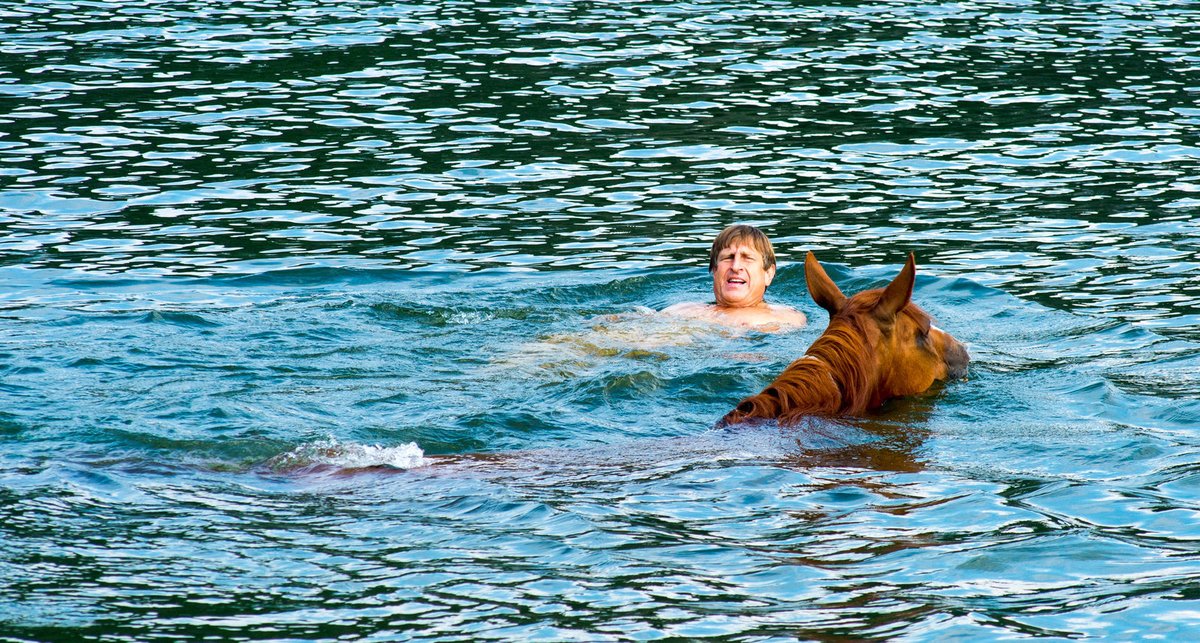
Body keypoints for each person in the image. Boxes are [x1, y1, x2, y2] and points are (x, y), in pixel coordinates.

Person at [662, 224, 807, 331]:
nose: (736, 266)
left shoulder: (787, 318)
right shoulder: (680, 311)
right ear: (714, 270)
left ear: (768, 274)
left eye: (747, 258)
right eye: (728, 257)